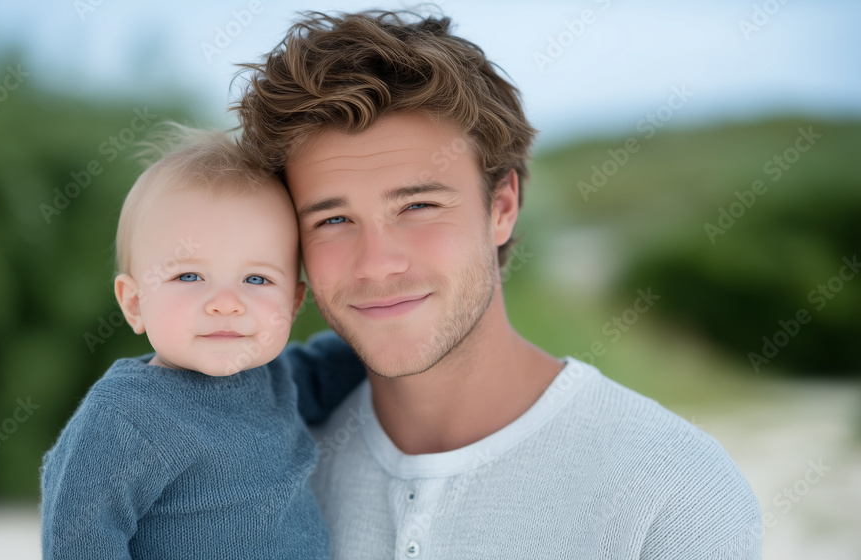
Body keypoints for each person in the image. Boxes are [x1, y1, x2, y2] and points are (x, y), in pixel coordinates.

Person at [235, 10, 762, 559]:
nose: (376, 264)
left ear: (502, 208)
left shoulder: (674, 493)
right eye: (332, 220)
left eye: (418, 206)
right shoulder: (265, 475)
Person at [39, 127, 365, 559]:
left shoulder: (278, 380)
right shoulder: (126, 416)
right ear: (135, 303)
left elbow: (344, 361)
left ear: (292, 303)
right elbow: (77, 540)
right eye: (189, 276)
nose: (227, 304)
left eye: (256, 279)